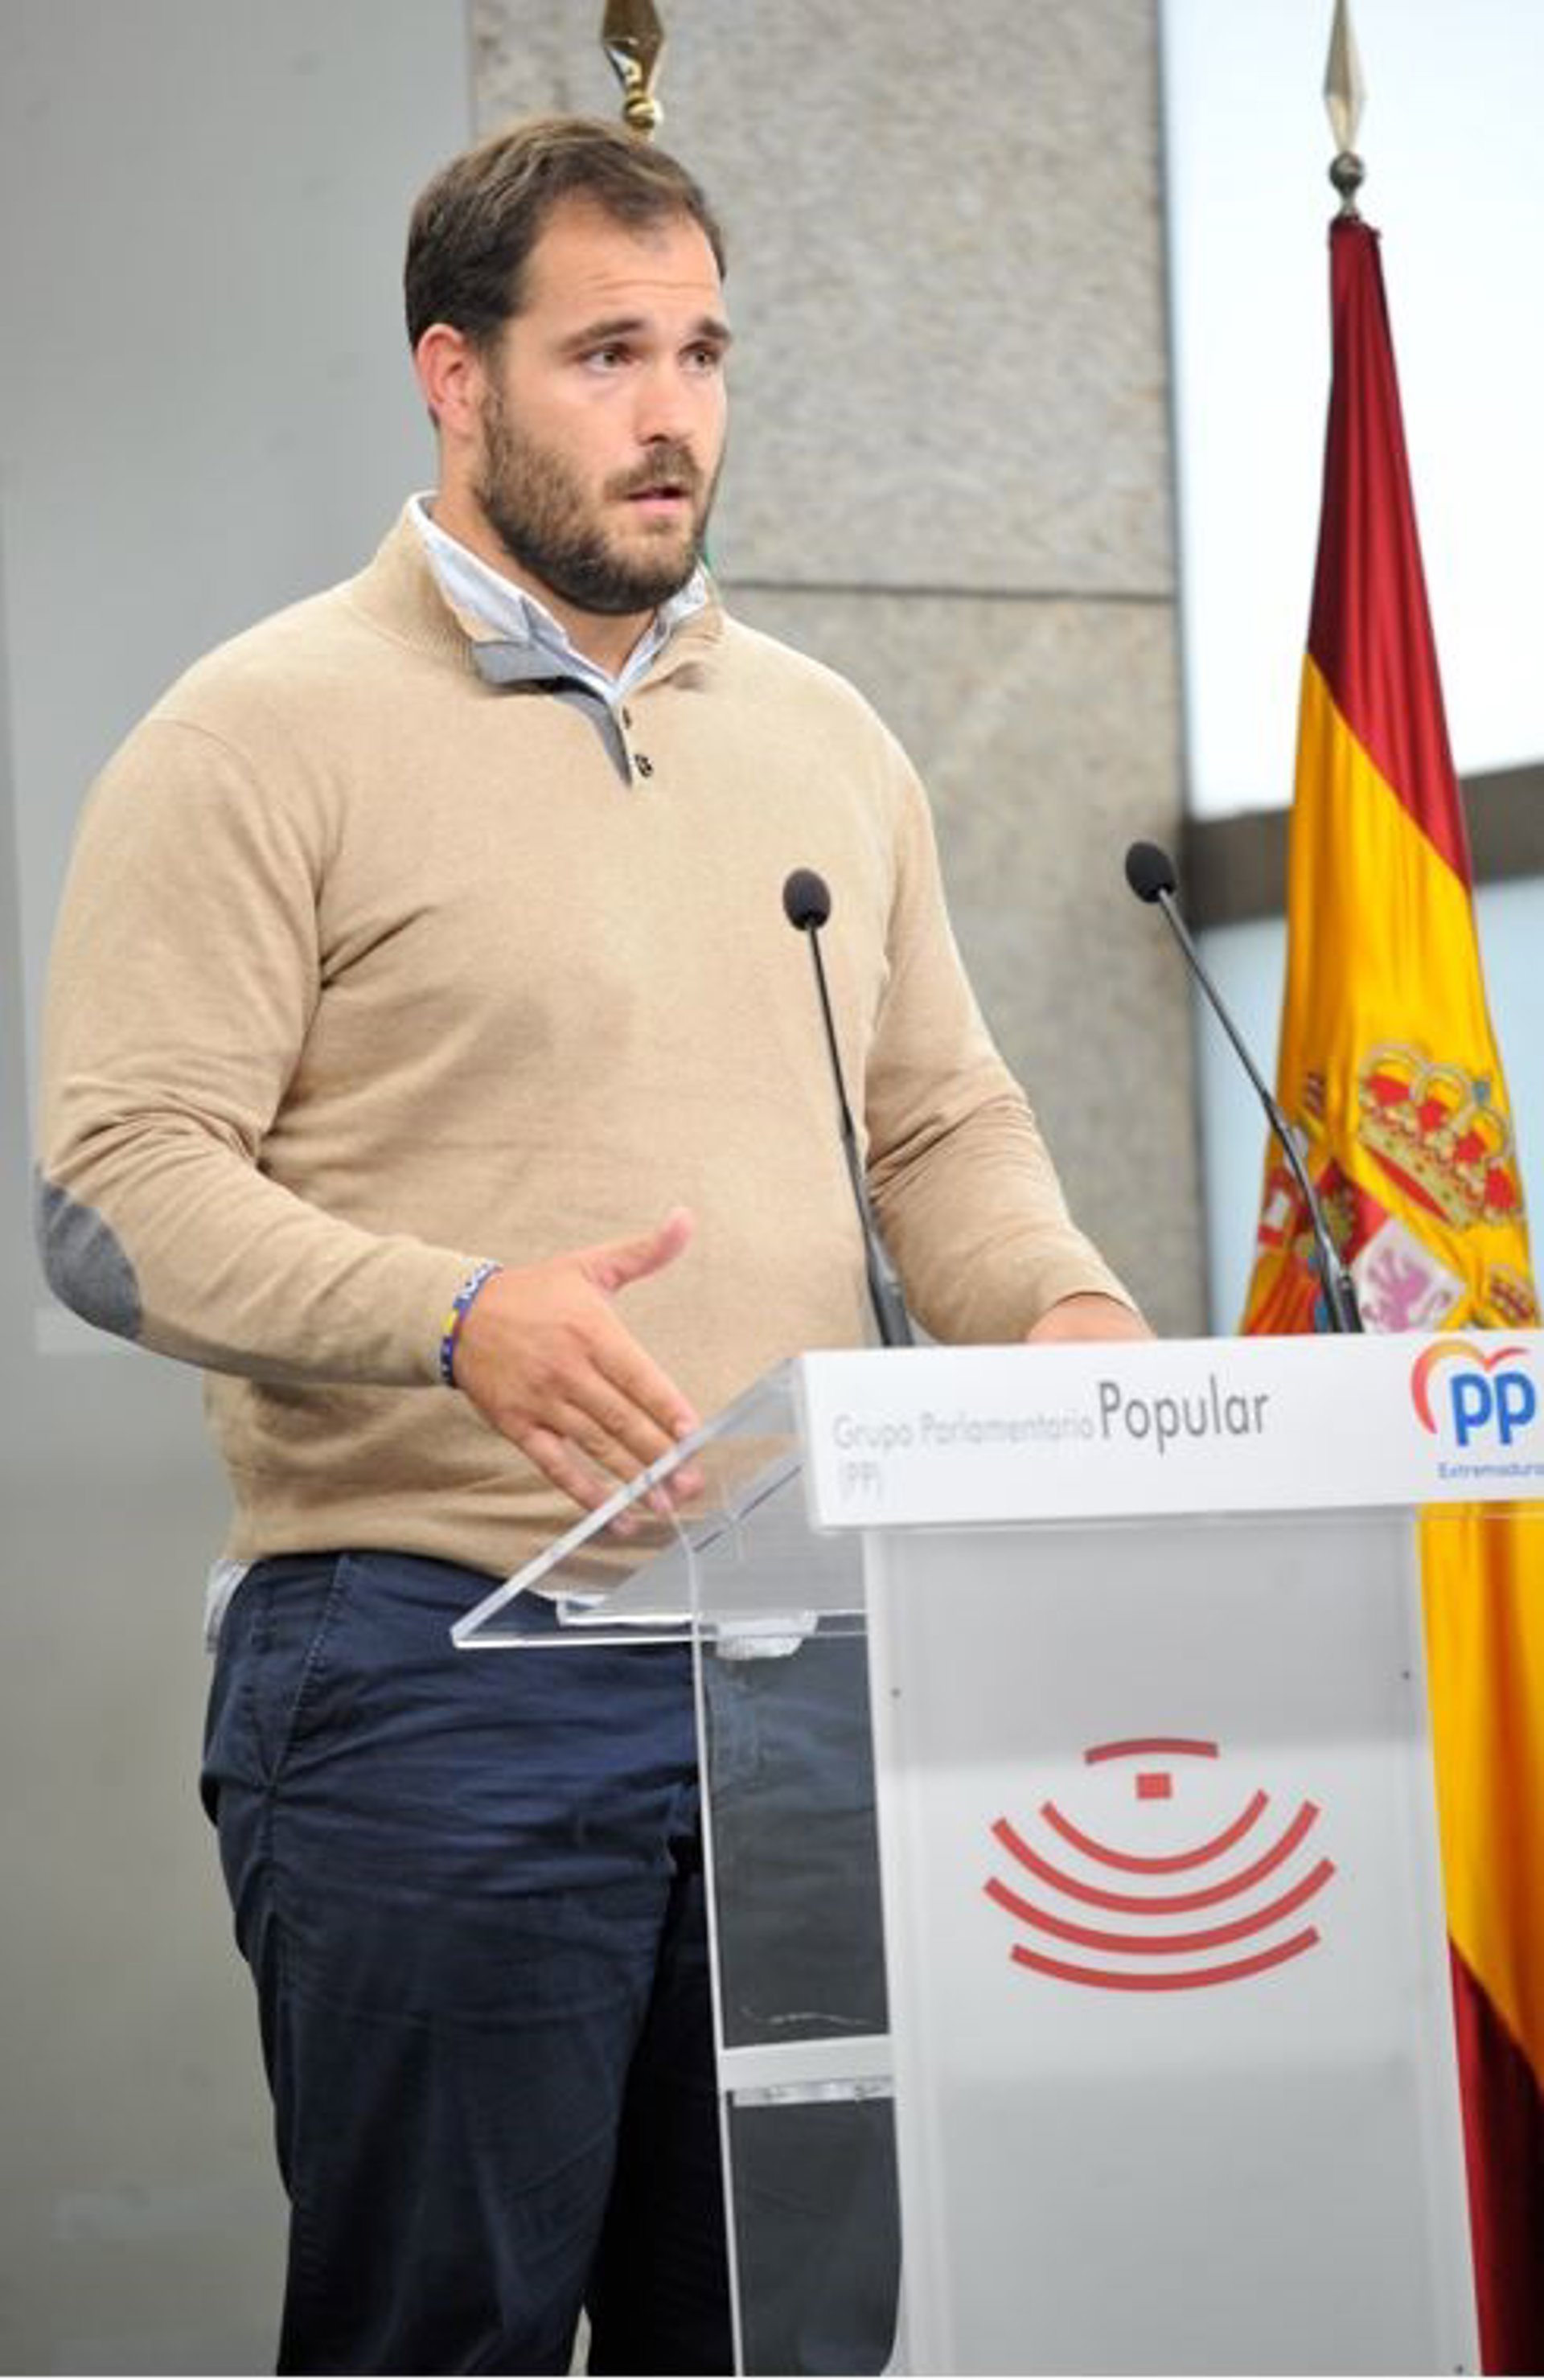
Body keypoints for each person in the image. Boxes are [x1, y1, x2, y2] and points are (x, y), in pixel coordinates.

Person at [35, 115, 1148, 2376]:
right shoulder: (255, 733)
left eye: (704, 354)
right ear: (453, 378)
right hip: (431, 1666)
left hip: (804, 1675)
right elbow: (114, 1190)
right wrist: (455, 1319)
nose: (672, 416)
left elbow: (938, 1121)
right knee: (435, 2337)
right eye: (606, 353)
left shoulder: (827, 740)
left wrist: (1067, 1310)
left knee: (782, 2342)